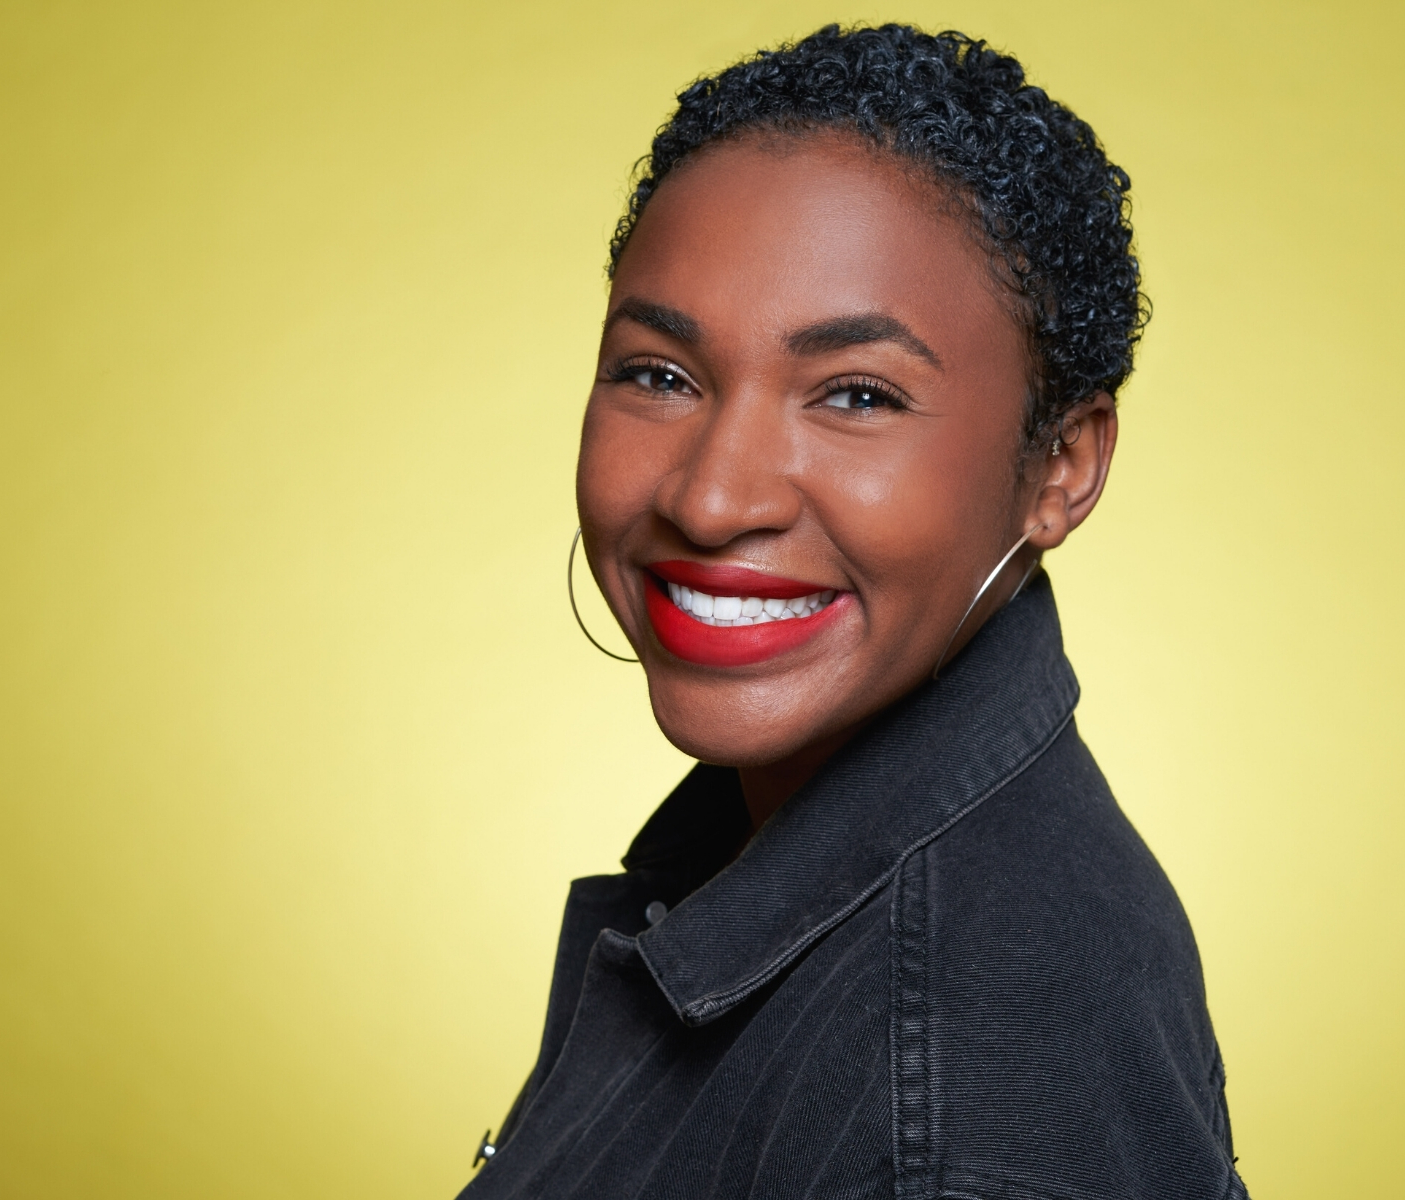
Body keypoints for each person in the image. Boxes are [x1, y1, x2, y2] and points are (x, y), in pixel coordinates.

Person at [460, 24, 1247, 1200]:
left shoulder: (956, 1104)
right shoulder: (788, 857)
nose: (712, 498)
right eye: (660, 375)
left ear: (1061, 468)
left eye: (859, 396)